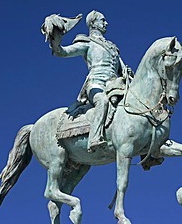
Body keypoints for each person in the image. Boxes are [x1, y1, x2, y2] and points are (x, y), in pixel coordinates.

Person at [49, 10, 131, 153]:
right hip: (96, 85)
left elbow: (122, 69)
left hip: (115, 85)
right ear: (93, 23)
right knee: (103, 101)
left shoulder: (112, 48)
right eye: (102, 20)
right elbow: (63, 52)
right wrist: (56, 41)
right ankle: (95, 138)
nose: (106, 23)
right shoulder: (87, 43)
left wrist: (127, 73)